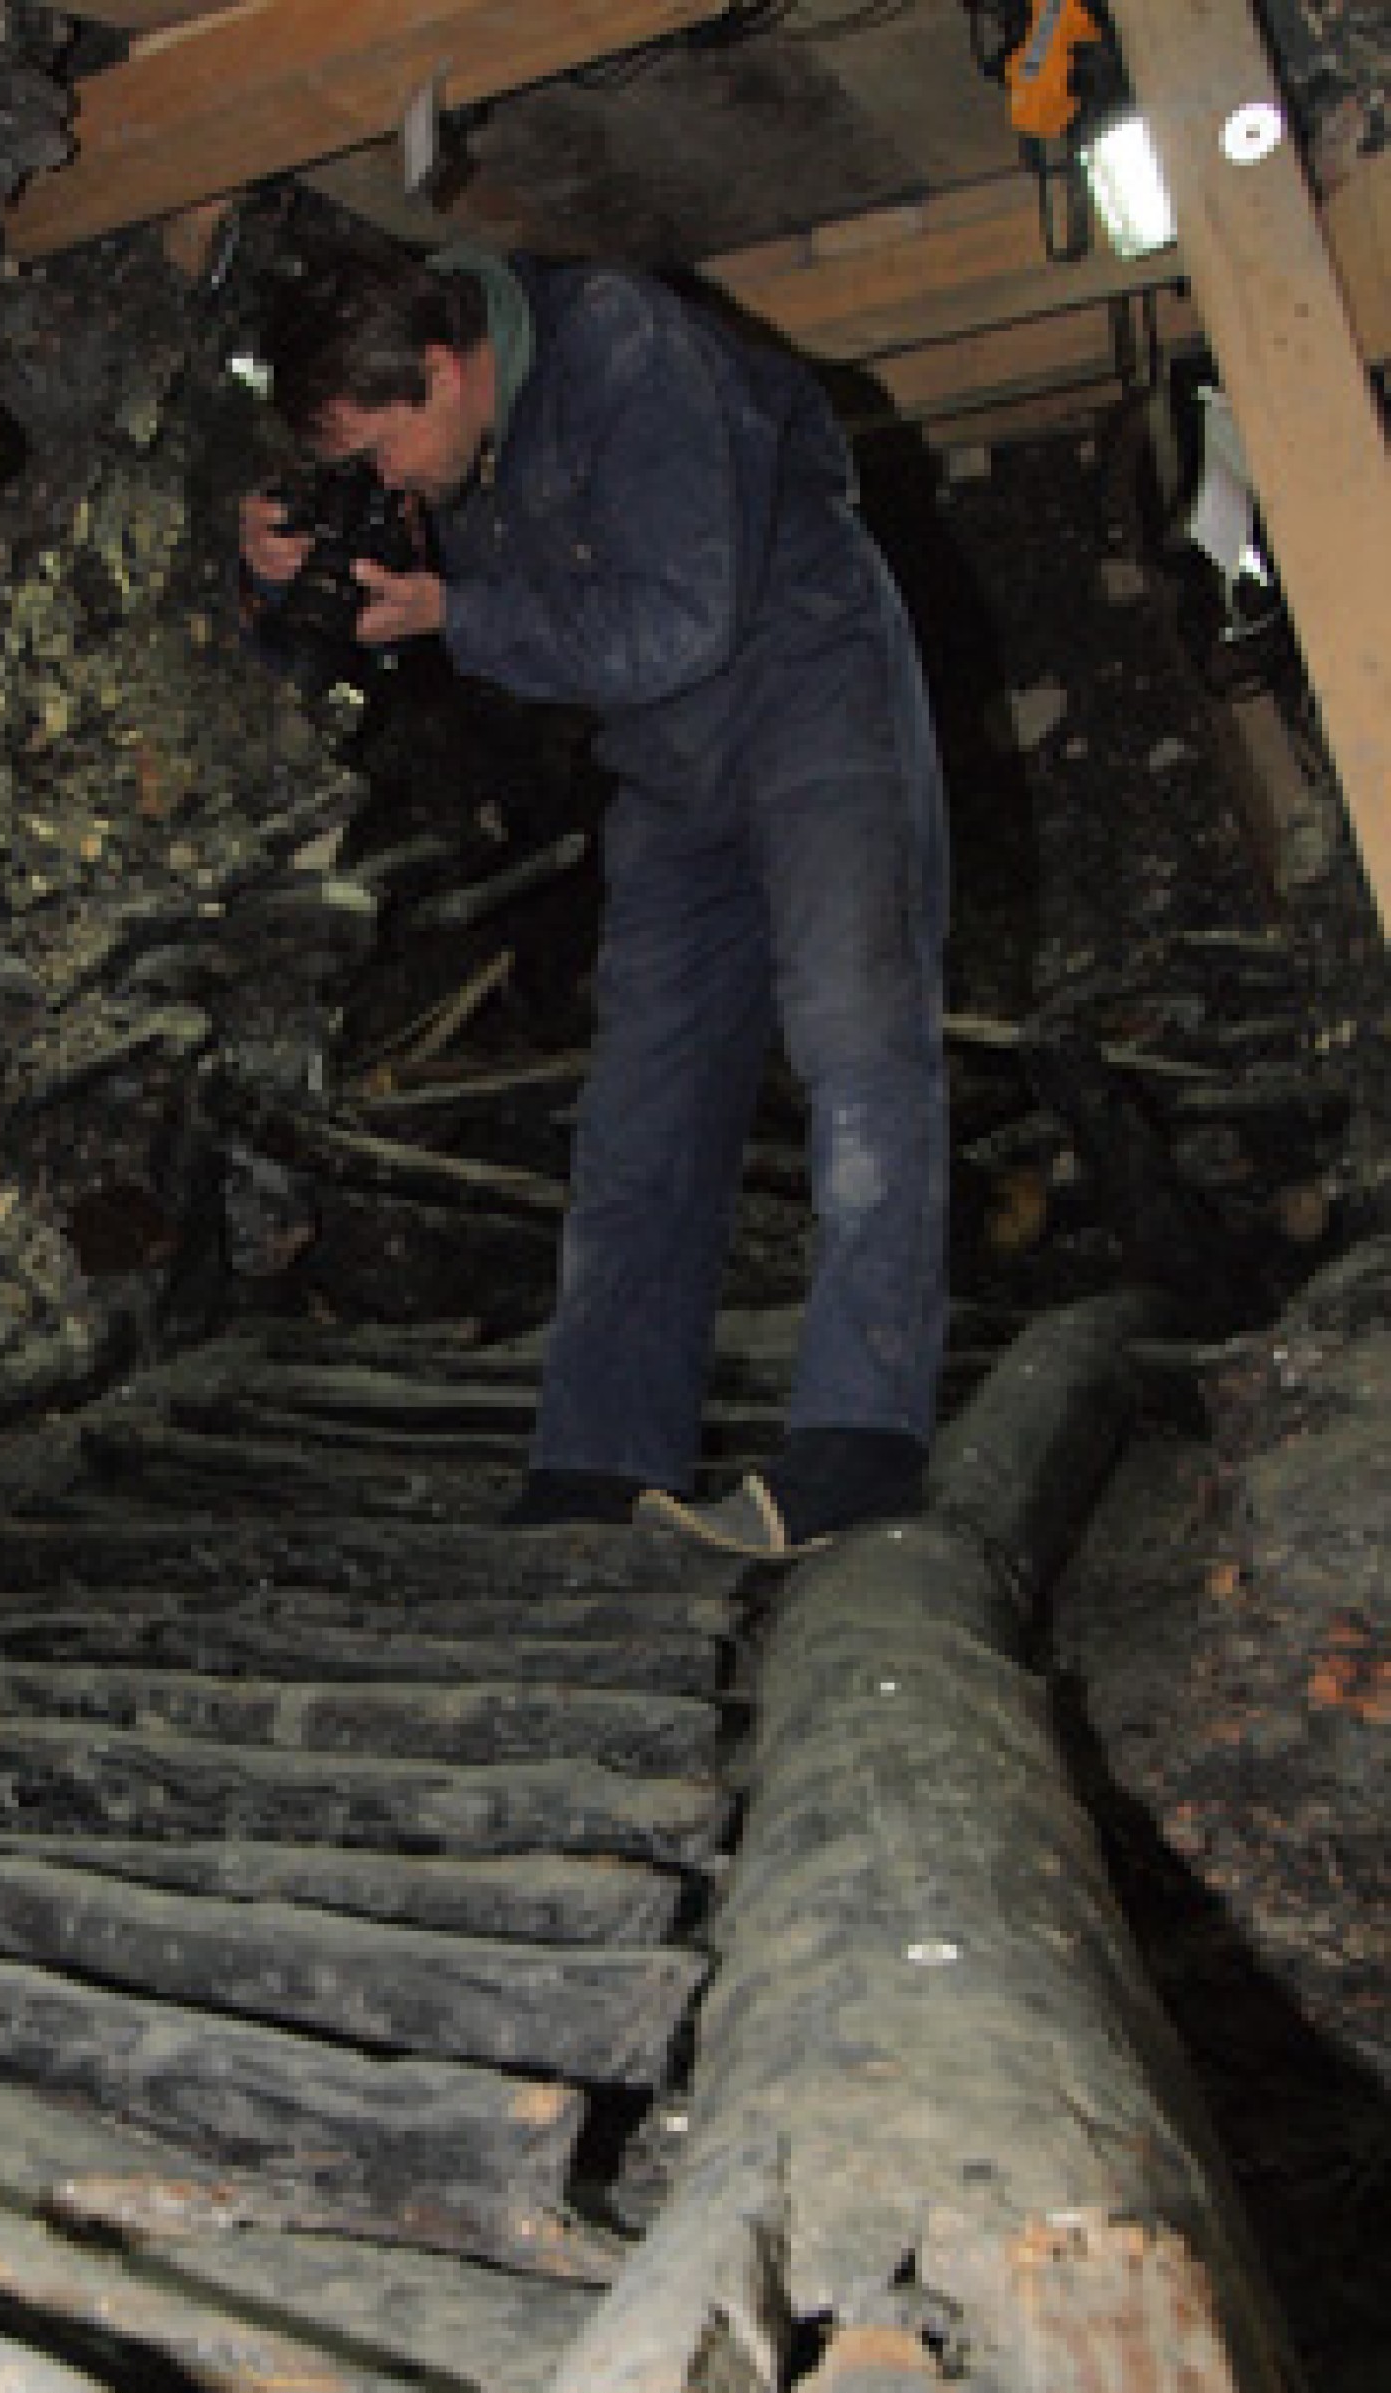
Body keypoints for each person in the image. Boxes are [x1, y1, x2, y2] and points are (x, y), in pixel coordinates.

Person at [238, 232, 951, 1555]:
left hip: (809, 688)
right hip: (669, 766)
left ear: (443, 373)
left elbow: (674, 621)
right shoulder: (452, 447)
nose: (379, 485)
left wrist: (452, 608)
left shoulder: (623, 341)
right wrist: (281, 580)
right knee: (641, 1106)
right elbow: (387, 639)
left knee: (858, 1037)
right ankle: (597, 1459)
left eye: (375, 454)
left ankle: (861, 1442)